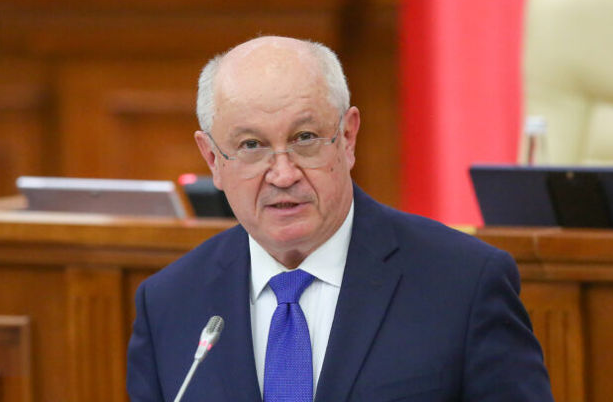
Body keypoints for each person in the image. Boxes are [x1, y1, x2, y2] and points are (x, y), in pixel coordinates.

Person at [126, 35, 554, 401]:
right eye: (252, 146)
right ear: (212, 159)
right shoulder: (168, 304)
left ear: (348, 137)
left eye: (305, 138)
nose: (283, 174)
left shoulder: (464, 284)